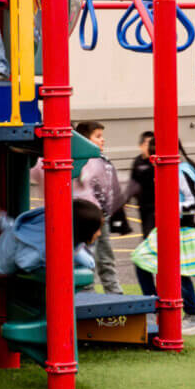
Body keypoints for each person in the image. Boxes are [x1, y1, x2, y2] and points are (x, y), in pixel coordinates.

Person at [130, 138, 195, 336]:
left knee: (179, 272)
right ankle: (154, 307)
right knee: (144, 260)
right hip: (168, 226)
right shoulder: (175, 169)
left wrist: (172, 209)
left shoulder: (182, 171)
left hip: (181, 228)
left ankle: (192, 316)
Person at [74, 121, 124, 294]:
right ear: (84, 140)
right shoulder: (81, 161)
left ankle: (115, 294)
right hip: (88, 218)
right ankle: (87, 294)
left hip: (101, 216)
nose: (102, 140)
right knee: (88, 257)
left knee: (106, 258)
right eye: (98, 136)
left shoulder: (102, 160)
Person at [127, 131, 157, 237]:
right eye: (148, 143)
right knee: (147, 232)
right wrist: (127, 199)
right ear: (141, 145)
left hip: (157, 204)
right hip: (144, 204)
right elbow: (133, 181)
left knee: (154, 233)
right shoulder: (138, 162)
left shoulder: (156, 161)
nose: (151, 147)